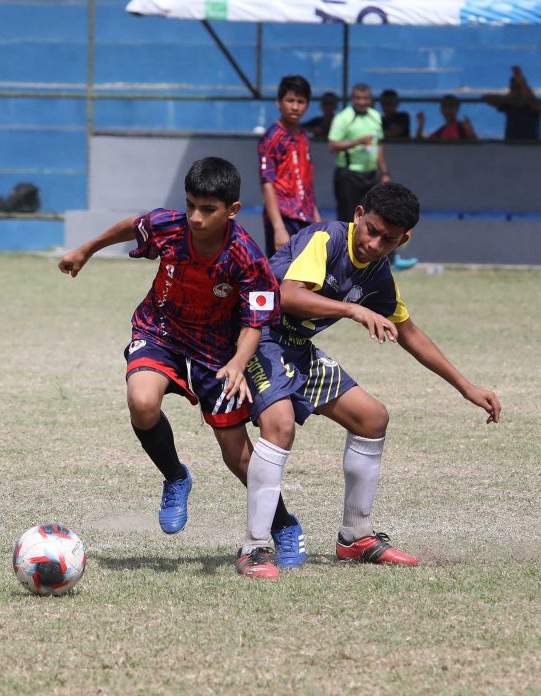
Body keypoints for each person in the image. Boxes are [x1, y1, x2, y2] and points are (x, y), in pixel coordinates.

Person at [235, 182, 501, 579]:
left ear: (404, 239)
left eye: (388, 239)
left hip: (295, 347)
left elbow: (409, 332)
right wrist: (353, 311)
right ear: (358, 215)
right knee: (280, 425)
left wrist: (467, 387)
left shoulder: (379, 274)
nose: (375, 244)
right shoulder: (326, 238)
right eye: (371, 230)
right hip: (255, 336)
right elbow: (287, 295)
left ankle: (355, 537)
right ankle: (255, 548)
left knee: (372, 417)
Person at [58, 157, 307, 569]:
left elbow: (254, 323)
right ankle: (175, 476)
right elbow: (131, 227)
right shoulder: (169, 226)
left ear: (232, 210)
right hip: (160, 331)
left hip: (218, 352)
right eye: (190, 205)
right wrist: (85, 250)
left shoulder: (247, 257)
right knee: (142, 402)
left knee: (238, 456)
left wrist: (239, 364)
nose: (194, 217)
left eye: (207, 209)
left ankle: (282, 523)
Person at [329, 84, 416, 271]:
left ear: (370, 99)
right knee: (350, 220)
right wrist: (357, 142)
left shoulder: (375, 116)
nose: (361, 102)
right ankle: (344, 261)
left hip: (371, 174)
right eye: (357, 98)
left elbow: (379, 146)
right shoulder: (343, 118)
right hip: (348, 174)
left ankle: (388, 262)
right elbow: (332, 145)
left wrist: (384, 172)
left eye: (365, 98)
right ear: (352, 99)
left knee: (382, 216)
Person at [259, 74, 321, 255]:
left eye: (301, 101)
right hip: (283, 218)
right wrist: (278, 228)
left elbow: (306, 181)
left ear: (307, 105)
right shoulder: (271, 138)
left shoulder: (303, 136)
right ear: (279, 102)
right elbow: (267, 184)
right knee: (281, 277)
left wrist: (316, 218)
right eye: (290, 100)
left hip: (306, 218)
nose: (295, 107)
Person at [483, 66, 541, 141]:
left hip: (528, 143)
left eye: (517, 88)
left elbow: (530, 99)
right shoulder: (509, 104)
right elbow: (487, 98)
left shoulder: (533, 104)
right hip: (513, 142)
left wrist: (521, 82)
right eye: (513, 88)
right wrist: (509, 98)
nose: (516, 91)